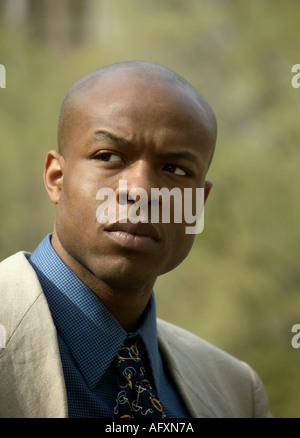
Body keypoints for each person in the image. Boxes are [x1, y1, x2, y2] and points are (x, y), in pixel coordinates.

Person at [0, 61, 272, 418]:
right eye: (109, 157)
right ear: (56, 177)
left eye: (175, 170)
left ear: (196, 205)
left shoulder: (235, 391)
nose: (141, 191)